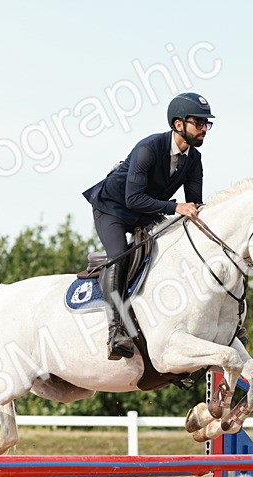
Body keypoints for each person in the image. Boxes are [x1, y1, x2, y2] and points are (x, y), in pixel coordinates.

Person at [82, 91, 214, 359]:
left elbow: (194, 205)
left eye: (206, 124)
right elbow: (133, 198)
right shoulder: (148, 149)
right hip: (113, 209)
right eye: (198, 123)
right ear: (179, 125)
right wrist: (176, 208)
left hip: (146, 213)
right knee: (119, 255)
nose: (204, 129)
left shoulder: (194, 160)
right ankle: (116, 329)